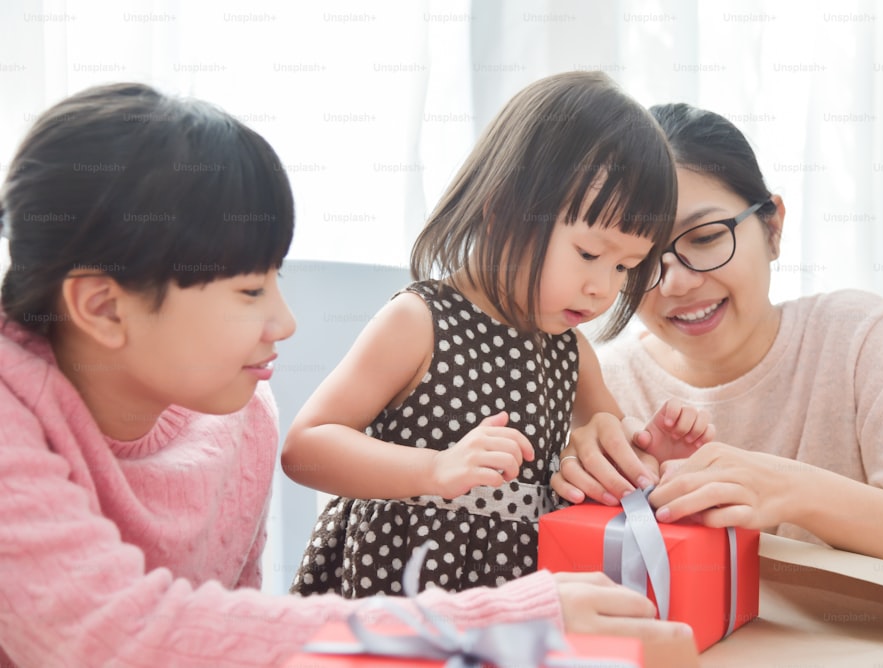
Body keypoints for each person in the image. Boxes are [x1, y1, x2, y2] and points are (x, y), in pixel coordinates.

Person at [0, 82, 700, 667]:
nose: (286, 321)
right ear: (101, 306)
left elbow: (228, 631)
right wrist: (504, 601)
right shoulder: (13, 423)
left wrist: (612, 448)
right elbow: (123, 635)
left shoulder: (238, 415)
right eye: (249, 291)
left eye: (624, 268)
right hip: (410, 598)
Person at [282, 71, 713, 600]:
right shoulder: (421, 322)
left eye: (626, 266)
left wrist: (649, 453)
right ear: (505, 209)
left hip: (517, 591)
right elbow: (305, 446)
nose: (602, 288)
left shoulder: (571, 353)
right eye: (588, 254)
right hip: (402, 585)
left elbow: (608, 456)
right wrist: (434, 469)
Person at [553, 102, 883, 585]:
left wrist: (792, 489)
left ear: (773, 226)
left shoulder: (855, 335)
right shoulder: (602, 388)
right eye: (641, 262)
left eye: (704, 238)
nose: (676, 284)